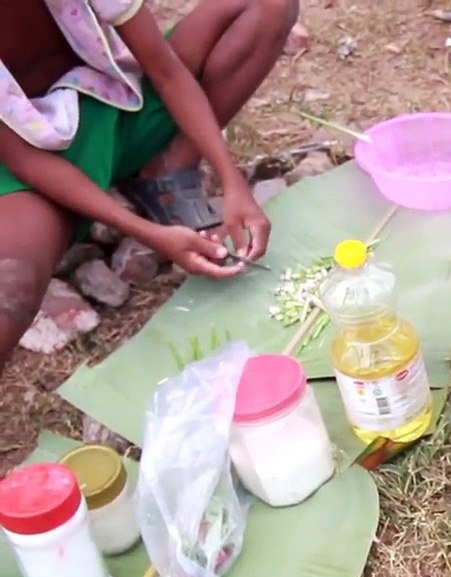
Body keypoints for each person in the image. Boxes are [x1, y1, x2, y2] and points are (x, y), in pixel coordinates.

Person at [0, 0, 300, 370]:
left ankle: (166, 169)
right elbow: (27, 161)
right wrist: (149, 233)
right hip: (36, 163)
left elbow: (166, 70)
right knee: (12, 286)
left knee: (269, 5)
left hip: (115, 102)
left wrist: (231, 180)